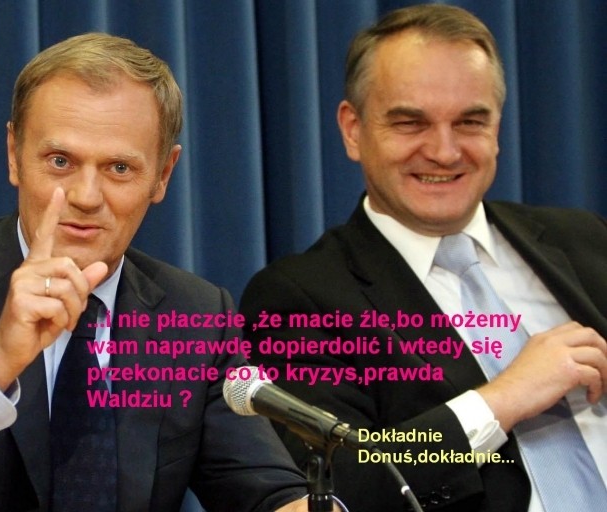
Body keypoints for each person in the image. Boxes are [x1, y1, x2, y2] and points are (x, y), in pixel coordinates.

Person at [0, 33, 313, 512]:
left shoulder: (198, 316)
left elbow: (267, 491)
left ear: (163, 174)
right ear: (14, 154)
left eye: (119, 168)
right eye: (60, 161)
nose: (85, 196)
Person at [240, 4, 607, 512]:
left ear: (497, 127)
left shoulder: (584, 238)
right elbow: (337, 487)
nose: (444, 151)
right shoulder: (299, 297)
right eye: (411, 123)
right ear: (352, 129)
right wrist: (504, 398)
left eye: (470, 121)